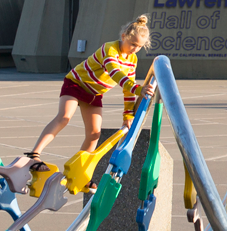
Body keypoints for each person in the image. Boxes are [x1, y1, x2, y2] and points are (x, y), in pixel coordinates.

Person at [26, 15, 156, 172]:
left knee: (94, 133)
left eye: (139, 47)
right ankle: (34, 155)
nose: (135, 49)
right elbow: (115, 73)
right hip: (76, 84)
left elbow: (127, 89)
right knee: (64, 117)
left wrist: (128, 115)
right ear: (123, 36)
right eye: (132, 44)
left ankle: (79, 170)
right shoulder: (109, 49)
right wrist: (138, 89)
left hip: (93, 94)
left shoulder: (132, 59)